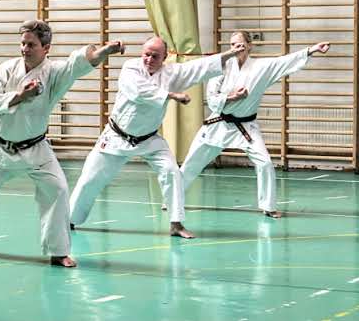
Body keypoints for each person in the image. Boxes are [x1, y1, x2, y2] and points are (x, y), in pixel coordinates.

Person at [0, 20, 124, 268]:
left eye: (31, 44)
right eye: (23, 43)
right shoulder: (7, 68)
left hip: (35, 148)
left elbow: (80, 63)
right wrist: (20, 96)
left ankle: (58, 251)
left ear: (46, 48)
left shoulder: (54, 72)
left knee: (58, 190)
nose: (24, 49)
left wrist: (107, 50)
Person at [68, 36, 244, 238]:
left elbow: (199, 67)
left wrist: (230, 53)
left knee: (172, 172)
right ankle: (70, 219)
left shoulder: (171, 73)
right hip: (117, 137)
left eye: (155, 56)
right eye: (146, 54)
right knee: (90, 179)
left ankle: (176, 224)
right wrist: (172, 95)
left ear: (165, 57)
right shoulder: (130, 68)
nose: (149, 59)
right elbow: (138, 92)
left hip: (149, 140)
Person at [181, 31, 331, 218]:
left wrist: (312, 49)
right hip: (218, 124)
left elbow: (285, 61)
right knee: (192, 162)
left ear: (250, 45)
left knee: (265, 163)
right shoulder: (222, 66)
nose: (237, 48)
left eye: (240, 44)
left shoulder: (261, 67)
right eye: (233, 45)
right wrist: (232, 97)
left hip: (246, 127)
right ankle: (171, 199)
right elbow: (212, 99)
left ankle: (268, 206)